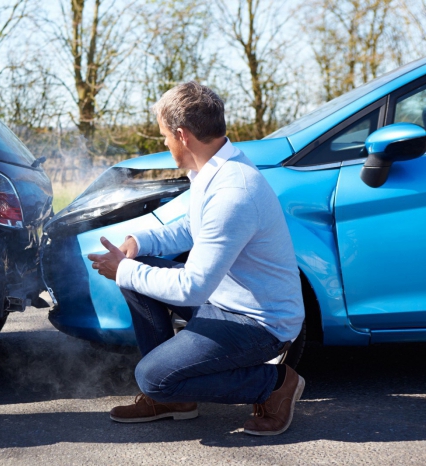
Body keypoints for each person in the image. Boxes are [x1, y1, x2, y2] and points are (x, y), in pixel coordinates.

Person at [88, 81, 305, 436]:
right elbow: (191, 227)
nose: (164, 144)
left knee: (151, 377)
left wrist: (125, 270)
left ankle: (275, 383)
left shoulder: (234, 192)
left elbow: (192, 288)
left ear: (182, 135)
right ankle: (176, 398)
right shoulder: (214, 170)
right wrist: (138, 243)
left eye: (164, 136)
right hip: (224, 302)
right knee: (140, 277)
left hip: (259, 323)